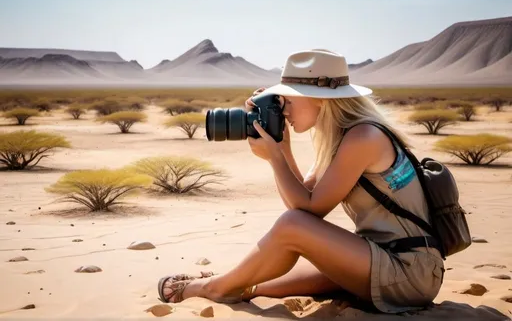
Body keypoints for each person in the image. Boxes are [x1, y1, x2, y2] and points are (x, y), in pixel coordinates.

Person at [157, 49, 445, 314]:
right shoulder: (344, 137)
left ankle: (215, 288)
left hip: (410, 272)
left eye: (289, 101)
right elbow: (303, 198)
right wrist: (282, 145)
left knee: (291, 225)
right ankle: (233, 284)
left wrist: (275, 158)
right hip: (384, 259)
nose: (285, 111)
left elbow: (306, 213)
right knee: (266, 274)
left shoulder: (363, 137)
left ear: (320, 99)